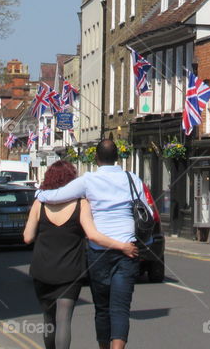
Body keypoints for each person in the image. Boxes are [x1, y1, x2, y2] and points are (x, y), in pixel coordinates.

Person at [34, 139, 150, 349]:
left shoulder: (88, 181)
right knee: (121, 308)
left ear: (96, 158)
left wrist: (38, 194)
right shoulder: (132, 178)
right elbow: (147, 213)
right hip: (128, 250)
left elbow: (57, 196)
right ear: (118, 158)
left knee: (102, 307)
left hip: (100, 252)